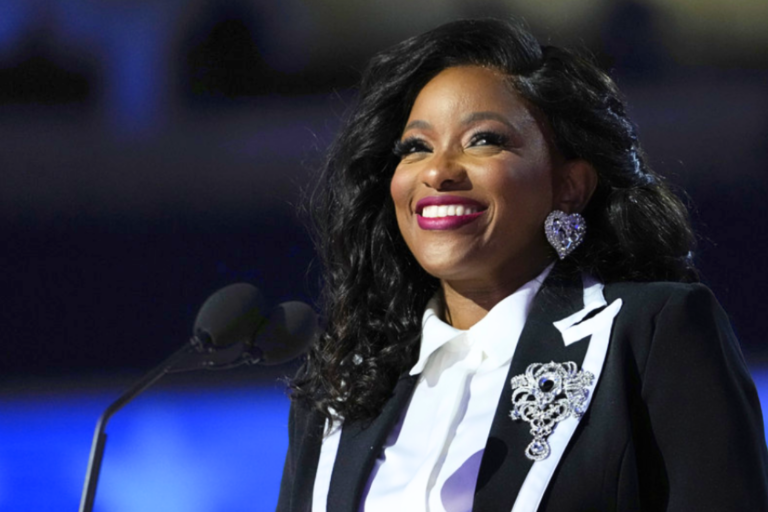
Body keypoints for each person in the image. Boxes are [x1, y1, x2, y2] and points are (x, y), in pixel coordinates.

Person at [277, 18, 768, 512]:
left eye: (483, 140)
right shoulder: (342, 388)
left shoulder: (651, 335)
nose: (438, 171)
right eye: (415, 148)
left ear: (569, 186)